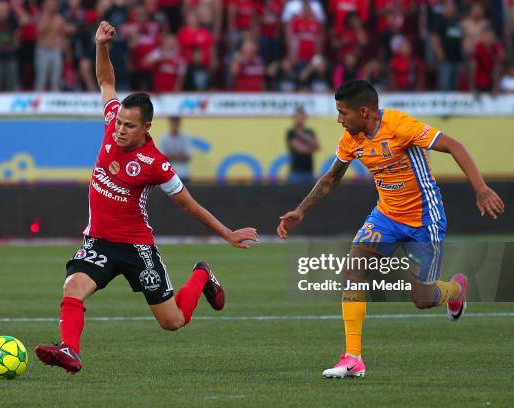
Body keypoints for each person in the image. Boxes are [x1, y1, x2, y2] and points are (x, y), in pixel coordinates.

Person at [35, 21, 258, 374]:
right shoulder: (112, 121)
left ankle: (202, 274)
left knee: (173, 321)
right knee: (72, 287)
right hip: (99, 242)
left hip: (137, 247)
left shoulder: (156, 164)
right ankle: (70, 351)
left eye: (129, 126)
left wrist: (227, 233)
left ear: (146, 129)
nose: (120, 130)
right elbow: (106, 82)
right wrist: (101, 46)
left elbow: (188, 204)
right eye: (119, 123)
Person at [277, 80, 504, 378]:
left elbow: (453, 145)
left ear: (364, 111)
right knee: (353, 269)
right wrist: (301, 210)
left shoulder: (400, 126)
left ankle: (457, 289)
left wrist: (481, 189)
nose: (339, 119)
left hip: (424, 219)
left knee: (422, 298)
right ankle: (353, 358)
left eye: (343, 113)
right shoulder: (351, 139)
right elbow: (331, 178)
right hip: (385, 216)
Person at [286, 106, 320, 183]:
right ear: (294, 118)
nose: (300, 119)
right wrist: (311, 146)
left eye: (302, 117)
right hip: (296, 172)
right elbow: (300, 149)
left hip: (309, 172)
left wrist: (302, 135)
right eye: (298, 117)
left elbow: (317, 146)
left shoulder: (310, 131)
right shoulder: (291, 132)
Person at [159, 116, 192, 182]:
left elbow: (188, 157)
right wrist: (180, 155)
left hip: (184, 174)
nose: (174, 125)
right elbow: (162, 159)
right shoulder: (164, 139)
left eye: (176, 123)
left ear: (179, 124)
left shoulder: (185, 138)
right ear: (169, 123)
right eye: (173, 123)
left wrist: (170, 156)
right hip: (168, 174)